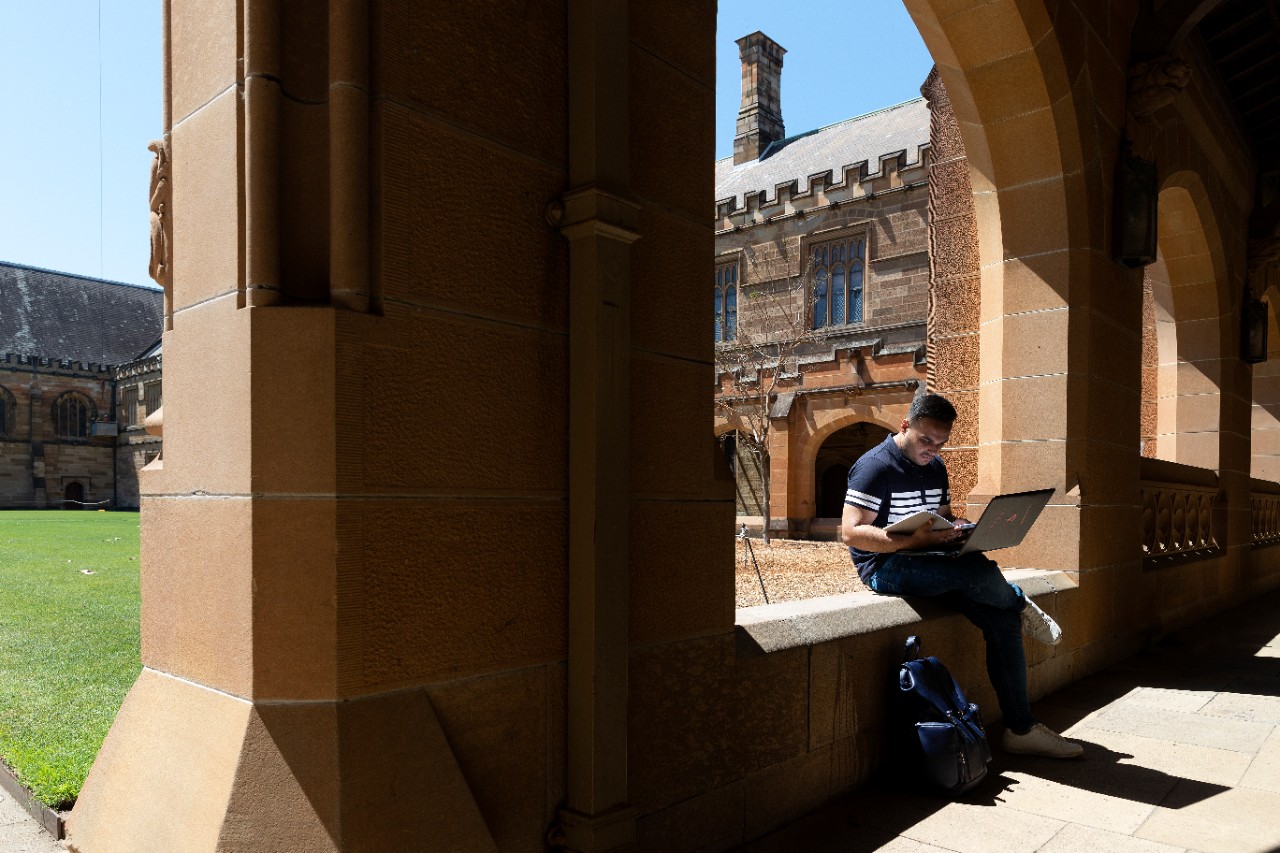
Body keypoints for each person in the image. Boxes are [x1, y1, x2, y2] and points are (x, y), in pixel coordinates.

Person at [841, 392, 1083, 759]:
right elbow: (852, 532)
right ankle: (1019, 602)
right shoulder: (874, 466)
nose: (932, 450)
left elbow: (942, 515)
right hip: (885, 567)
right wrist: (910, 540)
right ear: (905, 426)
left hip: (930, 557)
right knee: (975, 572)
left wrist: (959, 528)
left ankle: (1021, 729)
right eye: (926, 440)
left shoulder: (935, 467)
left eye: (941, 443)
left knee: (1000, 619)